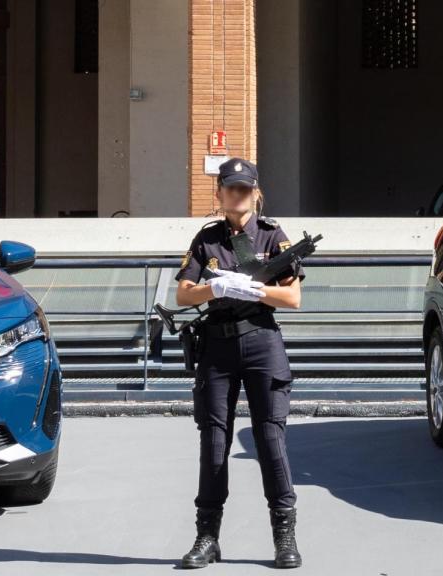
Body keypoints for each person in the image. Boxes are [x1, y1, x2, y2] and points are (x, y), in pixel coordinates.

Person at [175, 157, 305, 569]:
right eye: (231, 188)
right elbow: (183, 294)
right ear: (220, 194)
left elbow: (293, 298)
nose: (237, 195)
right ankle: (207, 538)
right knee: (214, 443)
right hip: (217, 347)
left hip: (262, 342)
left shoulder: (272, 236)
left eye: (245, 189)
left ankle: (284, 537)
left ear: (256, 193)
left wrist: (254, 290)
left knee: (270, 440)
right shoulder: (207, 239)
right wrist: (216, 288)